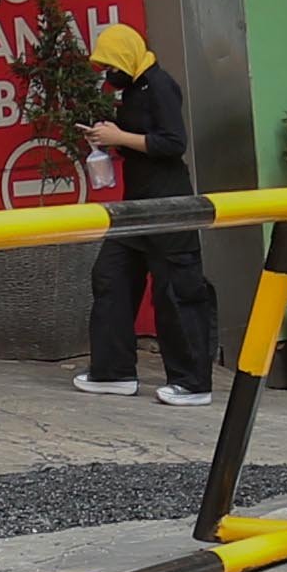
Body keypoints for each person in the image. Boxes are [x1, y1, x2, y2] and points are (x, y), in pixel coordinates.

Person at [67, 20, 215, 405]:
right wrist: (107, 135)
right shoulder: (131, 89)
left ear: (127, 58)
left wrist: (119, 137)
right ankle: (112, 371)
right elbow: (138, 139)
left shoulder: (159, 85)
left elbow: (172, 142)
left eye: (111, 65)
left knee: (176, 291)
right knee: (110, 277)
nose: (107, 73)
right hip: (135, 206)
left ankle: (191, 382)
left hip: (168, 205)